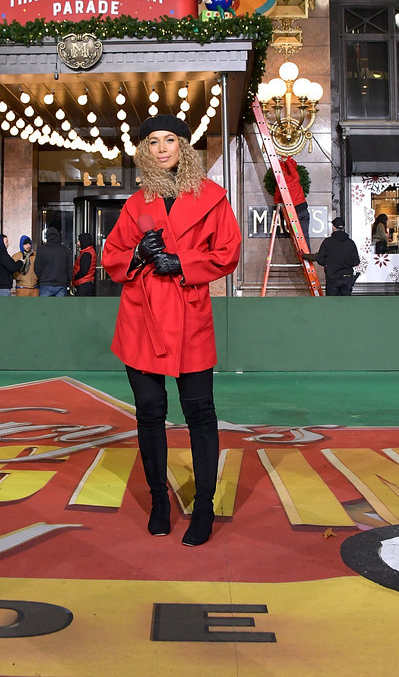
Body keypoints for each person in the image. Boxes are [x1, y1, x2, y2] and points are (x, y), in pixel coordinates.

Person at [102, 114, 241, 546]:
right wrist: (138, 254)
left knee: (200, 412)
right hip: (141, 318)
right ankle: (159, 500)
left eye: (169, 140)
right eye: (153, 142)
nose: (161, 148)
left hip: (189, 314)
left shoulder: (213, 198)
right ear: (144, 150)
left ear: (184, 145)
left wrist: (182, 262)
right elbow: (112, 256)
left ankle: (205, 505)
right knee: (149, 413)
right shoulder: (135, 203)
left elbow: (228, 252)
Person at [304, 216, 359, 296]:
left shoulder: (328, 242)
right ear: (343, 227)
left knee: (332, 302)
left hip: (332, 277)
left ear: (333, 227)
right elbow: (356, 261)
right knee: (346, 302)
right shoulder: (351, 243)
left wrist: (329, 263)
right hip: (347, 277)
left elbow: (319, 259)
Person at [273, 156, 311, 248]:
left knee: (296, 235)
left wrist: (278, 202)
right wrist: (287, 161)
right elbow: (293, 170)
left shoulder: (281, 185)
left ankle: (301, 251)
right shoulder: (295, 178)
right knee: (305, 235)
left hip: (293, 213)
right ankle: (307, 252)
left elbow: (277, 198)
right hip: (303, 209)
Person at [34, 226, 73, 296]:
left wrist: (42, 277)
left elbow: (37, 267)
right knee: (60, 303)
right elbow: (69, 267)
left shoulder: (41, 250)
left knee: (45, 303)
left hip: (45, 283)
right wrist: (69, 279)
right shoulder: (65, 250)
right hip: (61, 283)